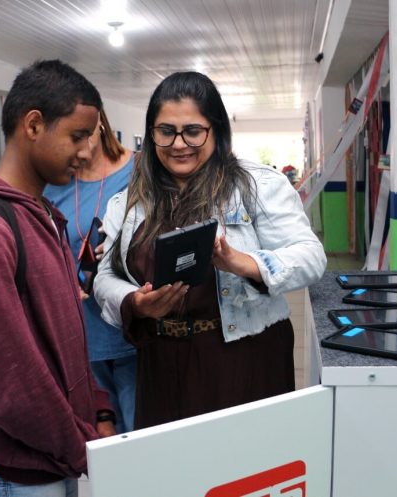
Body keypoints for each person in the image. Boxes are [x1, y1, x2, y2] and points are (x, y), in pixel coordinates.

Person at [94, 71, 327, 429]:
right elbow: (106, 275)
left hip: (243, 357)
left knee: (244, 471)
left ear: (216, 130)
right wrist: (133, 302)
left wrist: (243, 263)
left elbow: (311, 258)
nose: (178, 143)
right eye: (165, 130)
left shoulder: (257, 186)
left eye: (193, 130)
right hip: (161, 361)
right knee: (173, 472)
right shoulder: (131, 200)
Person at [0, 59, 116, 497]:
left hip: (55, 452)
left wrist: (97, 409)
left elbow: (63, 337)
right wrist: (82, 447)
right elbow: (7, 383)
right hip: (19, 467)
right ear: (33, 125)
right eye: (77, 136)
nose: (89, 152)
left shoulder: (43, 216)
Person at [44, 107, 137, 434]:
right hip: (81, 332)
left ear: (99, 125)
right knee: (101, 437)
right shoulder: (53, 184)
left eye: (80, 134)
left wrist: (128, 248)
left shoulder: (140, 171)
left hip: (134, 327)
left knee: (140, 437)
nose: (76, 149)